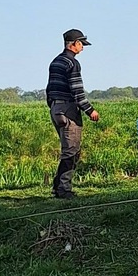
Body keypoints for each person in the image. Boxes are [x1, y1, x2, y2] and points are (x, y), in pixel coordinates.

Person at [46, 29, 99, 200]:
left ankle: (57, 186)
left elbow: (49, 89)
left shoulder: (56, 61)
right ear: (74, 44)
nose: (82, 48)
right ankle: (63, 189)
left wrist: (54, 107)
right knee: (71, 152)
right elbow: (77, 92)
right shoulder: (72, 63)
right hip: (68, 109)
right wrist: (90, 110)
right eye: (81, 44)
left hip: (55, 108)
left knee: (67, 150)